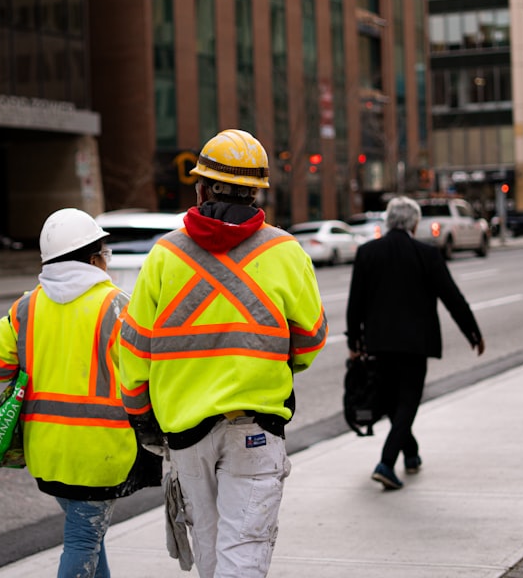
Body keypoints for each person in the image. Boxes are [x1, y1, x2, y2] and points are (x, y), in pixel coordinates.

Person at [118, 128, 328, 578]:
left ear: (202, 187)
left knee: (212, 557)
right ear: (255, 192)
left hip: (184, 433)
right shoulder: (285, 252)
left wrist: (141, 414)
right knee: (244, 556)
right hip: (255, 426)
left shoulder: (164, 255)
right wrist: (272, 363)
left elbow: (133, 349)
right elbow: (309, 340)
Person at [0, 207, 160, 578]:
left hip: (47, 450)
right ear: (96, 259)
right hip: (101, 453)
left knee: (90, 534)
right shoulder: (117, 307)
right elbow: (144, 375)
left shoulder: (26, 306)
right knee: (83, 539)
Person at [345, 195, 485, 490]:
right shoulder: (427, 254)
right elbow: (452, 297)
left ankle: (410, 453)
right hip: (415, 344)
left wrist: (354, 341)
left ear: (388, 220)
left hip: (378, 343)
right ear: (415, 223)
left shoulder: (368, 252)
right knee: (407, 402)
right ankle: (386, 463)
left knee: (392, 403)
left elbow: (354, 302)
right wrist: (472, 332)